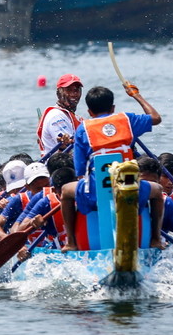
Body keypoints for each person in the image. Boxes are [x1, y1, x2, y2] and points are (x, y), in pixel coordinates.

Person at [59, 83, 163, 251]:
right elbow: (156, 118)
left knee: (65, 191)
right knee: (157, 191)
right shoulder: (127, 120)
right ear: (113, 107)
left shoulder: (82, 129)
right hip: (129, 187)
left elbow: (80, 172)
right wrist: (136, 95)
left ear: (90, 113)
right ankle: (156, 239)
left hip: (95, 191)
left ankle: (71, 242)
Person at [138, 156, 173, 251]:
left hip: (154, 252)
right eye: (144, 183)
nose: (149, 188)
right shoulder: (118, 199)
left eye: (153, 183)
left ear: (158, 182)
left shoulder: (167, 203)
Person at [0, 161, 45, 240]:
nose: (17, 191)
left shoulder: (54, 194)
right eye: (14, 188)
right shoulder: (13, 200)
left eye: (20, 187)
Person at [37, 73, 83, 154]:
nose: (74, 94)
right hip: (58, 164)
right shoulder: (56, 116)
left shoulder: (74, 117)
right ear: (58, 93)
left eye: (76, 90)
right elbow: (68, 147)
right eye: (69, 90)